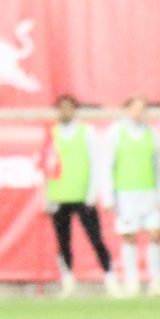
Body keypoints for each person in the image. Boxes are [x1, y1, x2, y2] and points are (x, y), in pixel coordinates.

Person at [41, 93, 117, 296]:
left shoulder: (86, 132)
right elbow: (47, 166)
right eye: (61, 108)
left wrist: (93, 192)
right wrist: (47, 198)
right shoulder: (52, 133)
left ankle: (110, 278)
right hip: (59, 194)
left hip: (82, 195)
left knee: (96, 239)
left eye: (68, 108)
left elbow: (95, 162)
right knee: (63, 242)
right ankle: (67, 282)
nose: (64, 112)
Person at [97, 95, 160, 297]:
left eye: (143, 109)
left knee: (155, 234)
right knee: (129, 237)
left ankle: (156, 281)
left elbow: (158, 167)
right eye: (135, 109)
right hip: (126, 195)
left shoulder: (151, 134)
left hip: (149, 193)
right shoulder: (116, 133)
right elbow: (106, 165)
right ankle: (132, 282)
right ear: (126, 111)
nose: (139, 113)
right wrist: (108, 195)